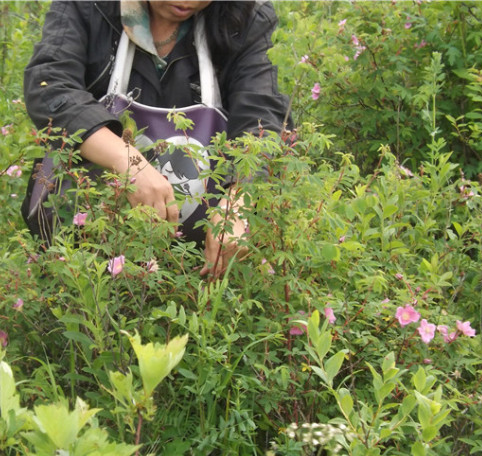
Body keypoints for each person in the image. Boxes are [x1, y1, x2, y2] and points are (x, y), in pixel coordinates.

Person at [23, 0, 291, 277]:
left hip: (197, 263)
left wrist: (237, 203)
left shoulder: (244, 14)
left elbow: (261, 118)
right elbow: (50, 87)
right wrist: (126, 162)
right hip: (86, 250)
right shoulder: (88, 6)